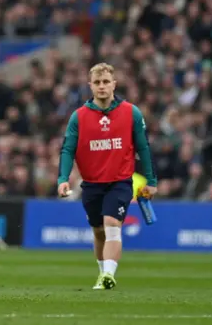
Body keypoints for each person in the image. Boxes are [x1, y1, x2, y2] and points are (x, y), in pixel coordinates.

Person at [57, 63, 157, 290]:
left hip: (120, 182)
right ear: (90, 86)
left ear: (114, 84)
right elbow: (67, 150)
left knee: (111, 224)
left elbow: (143, 148)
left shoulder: (131, 112)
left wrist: (151, 181)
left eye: (106, 82)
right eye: (97, 83)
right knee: (98, 231)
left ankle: (109, 275)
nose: (102, 87)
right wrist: (63, 178)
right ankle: (102, 275)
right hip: (91, 184)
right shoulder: (79, 117)